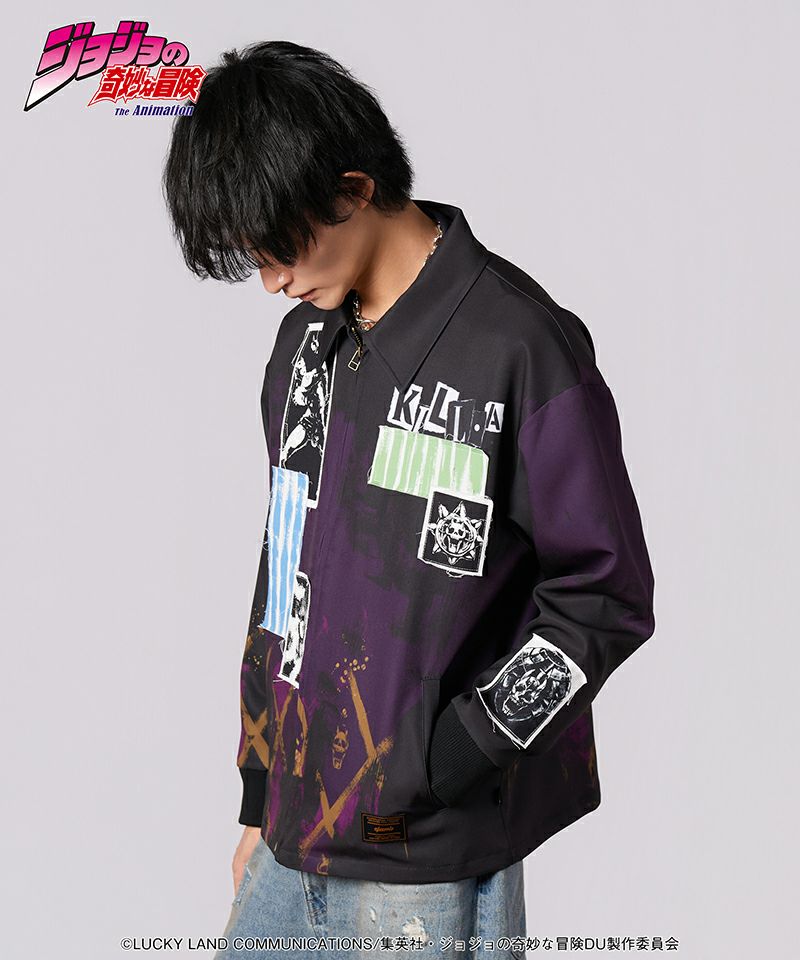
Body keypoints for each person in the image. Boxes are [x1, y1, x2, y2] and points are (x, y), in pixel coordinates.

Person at [162, 40, 655, 960]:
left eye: (279, 248)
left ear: (353, 191)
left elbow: (606, 592)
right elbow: (283, 569)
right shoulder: (301, 350)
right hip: (289, 840)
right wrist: (261, 793)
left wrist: (460, 749)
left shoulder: (519, 348)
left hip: (420, 854)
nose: (271, 281)